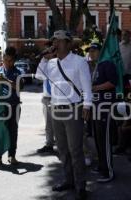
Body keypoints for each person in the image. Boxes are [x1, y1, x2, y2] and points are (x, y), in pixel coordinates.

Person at [36, 30, 92, 200]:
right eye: (54, 41)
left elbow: (86, 84)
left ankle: (81, 185)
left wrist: (87, 105)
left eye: (60, 41)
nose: (56, 44)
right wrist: (44, 58)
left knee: (75, 150)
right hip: (55, 109)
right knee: (62, 149)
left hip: (73, 109)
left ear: (68, 43)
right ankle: (69, 180)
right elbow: (39, 76)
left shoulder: (79, 61)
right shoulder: (50, 62)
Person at [87, 42, 118, 182]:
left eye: (94, 51)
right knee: (97, 139)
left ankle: (108, 172)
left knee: (104, 140)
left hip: (105, 107)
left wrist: (96, 88)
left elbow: (113, 82)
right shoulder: (94, 66)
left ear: (100, 51)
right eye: (90, 51)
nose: (91, 53)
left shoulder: (107, 64)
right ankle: (101, 165)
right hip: (95, 107)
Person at [0, 47, 23, 167]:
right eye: (6, 59)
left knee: (12, 131)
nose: (7, 63)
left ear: (14, 61)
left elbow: (19, 87)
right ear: (3, 58)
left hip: (14, 105)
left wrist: (5, 80)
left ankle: (11, 156)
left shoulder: (18, 72)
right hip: (1, 106)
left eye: (10, 60)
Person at [35, 46, 56, 154]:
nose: (48, 54)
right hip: (46, 97)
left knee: (60, 123)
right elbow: (39, 76)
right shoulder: (46, 64)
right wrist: (43, 60)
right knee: (48, 123)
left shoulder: (58, 64)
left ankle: (63, 145)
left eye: (50, 52)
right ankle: (49, 144)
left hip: (58, 98)